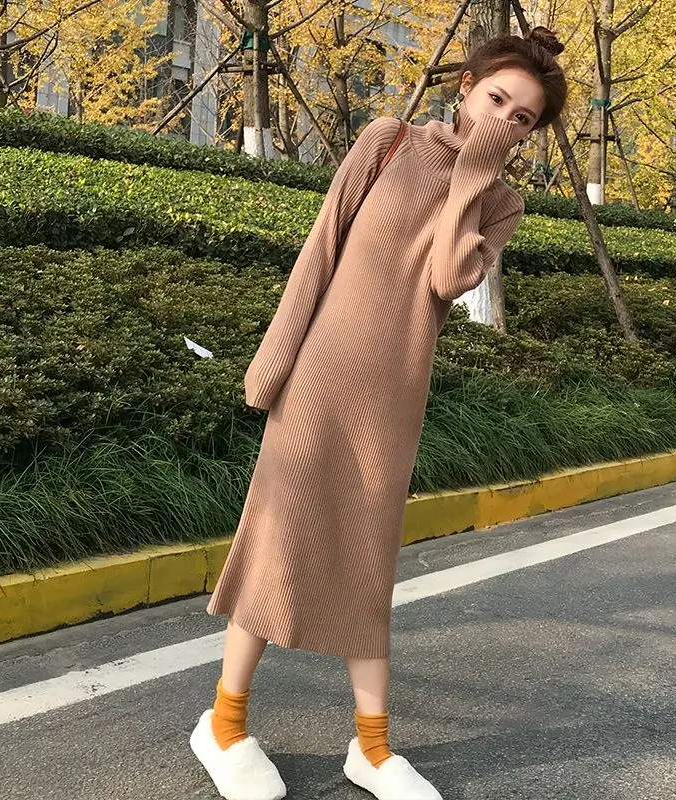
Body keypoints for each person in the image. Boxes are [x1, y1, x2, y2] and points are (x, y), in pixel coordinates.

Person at [190, 25, 568, 800]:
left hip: (391, 400)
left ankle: (371, 747)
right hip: (317, 382)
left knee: (369, 562)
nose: (503, 120)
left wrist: (472, 175)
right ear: (465, 85)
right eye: (497, 99)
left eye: (521, 118)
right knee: (276, 541)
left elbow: (446, 279)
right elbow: (321, 249)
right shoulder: (387, 141)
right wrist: (273, 361)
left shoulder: (500, 204)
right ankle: (223, 725)